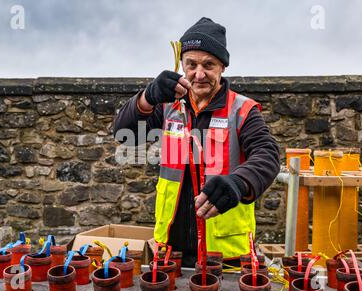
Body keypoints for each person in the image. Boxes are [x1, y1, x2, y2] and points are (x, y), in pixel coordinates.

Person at [114, 17, 280, 267]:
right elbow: (124, 133)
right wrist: (148, 97)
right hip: (171, 250)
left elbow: (267, 154)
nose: (198, 74)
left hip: (225, 255)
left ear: (222, 67)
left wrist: (239, 182)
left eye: (208, 65)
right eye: (191, 64)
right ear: (181, 64)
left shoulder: (241, 110)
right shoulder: (168, 105)